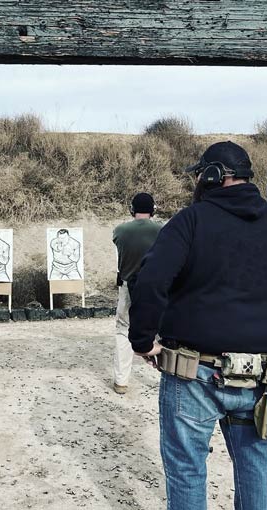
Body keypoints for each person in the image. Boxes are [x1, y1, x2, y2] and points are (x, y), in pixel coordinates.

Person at [129, 141, 267, 510]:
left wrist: (142, 341)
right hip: (261, 378)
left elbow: (149, 281)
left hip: (193, 373)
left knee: (188, 471)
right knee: (257, 467)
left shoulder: (190, 221)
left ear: (212, 176)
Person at [112, 193, 162, 394]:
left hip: (127, 286)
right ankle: (164, 373)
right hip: (155, 288)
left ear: (132, 209)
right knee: (161, 331)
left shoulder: (120, 230)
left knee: (123, 330)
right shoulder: (163, 230)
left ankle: (121, 381)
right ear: (153, 209)